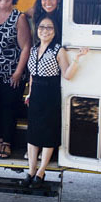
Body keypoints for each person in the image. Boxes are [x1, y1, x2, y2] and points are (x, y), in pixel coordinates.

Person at [21, 14, 88, 188]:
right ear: (37, 30)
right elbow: (32, 76)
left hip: (50, 94)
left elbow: (67, 75)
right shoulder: (34, 49)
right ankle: (31, 170)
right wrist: (30, 93)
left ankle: (41, 172)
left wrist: (77, 59)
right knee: (33, 133)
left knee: (48, 133)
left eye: (49, 28)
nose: (44, 31)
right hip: (36, 95)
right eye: (42, 27)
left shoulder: (58, 50)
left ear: (54, 31)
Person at [0, 0, 32, 158]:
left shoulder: (18, 17)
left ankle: (7, 142)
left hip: (12, 72)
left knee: (9, 107)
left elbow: (26, 46)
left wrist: (19, 72)